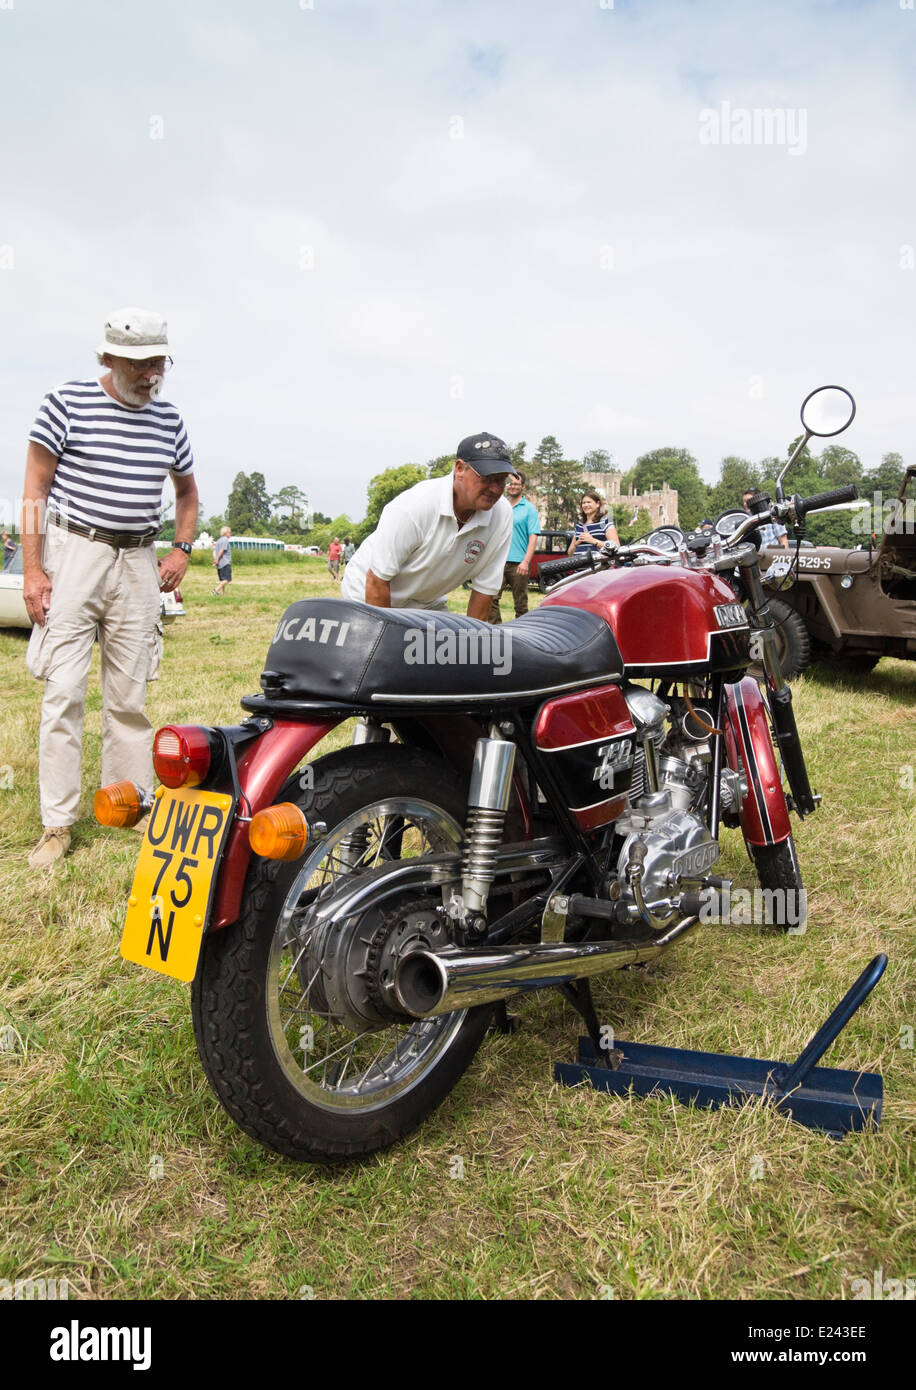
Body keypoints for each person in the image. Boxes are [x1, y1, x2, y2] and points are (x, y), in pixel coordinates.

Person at [21, 306, 199, 869]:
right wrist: (32, 569)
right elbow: (35, 489)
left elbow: (188, 494)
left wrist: (181, 547)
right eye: (141, 364)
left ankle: (129, 803)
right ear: (110, 358)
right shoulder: (66, 403)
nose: (152, 375)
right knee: (64, 692)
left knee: (129, 696)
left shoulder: (169, 420)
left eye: (159, 364)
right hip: (75, 552)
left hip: (139, 560)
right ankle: (57, 823)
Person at [341, 432, 516, 617]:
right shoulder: (416, 505)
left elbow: (485, 590)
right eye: (487, 478)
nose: (496, 489)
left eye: (501, 479)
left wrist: (471, 643)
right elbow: (377, 580)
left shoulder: (502, 515)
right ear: (459, 468)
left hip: (425, 603)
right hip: (366, 592)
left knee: (453, 644)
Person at [488, 470, 540, 623]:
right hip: (498, 561)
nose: (513, 486)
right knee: (491, 598)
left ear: (523, 486)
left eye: (517, 484)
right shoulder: (498, 505)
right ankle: (496, 630)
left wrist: (525, 562)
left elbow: (533, 538)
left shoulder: (529, 509)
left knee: (521, 604)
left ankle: (521, 634)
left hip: (519, 563)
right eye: (510, 483)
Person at [212, 526, 232, 596]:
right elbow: (222, 551)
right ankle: (215, 590)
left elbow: (214, 551)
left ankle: (223, 594)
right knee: (227, 579)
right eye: (229, 532)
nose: (230, 534)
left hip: (219, 564)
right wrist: (217, 559)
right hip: (225, 562)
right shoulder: (225, 540)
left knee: (222, 580)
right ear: (226, 533)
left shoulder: (218, 541)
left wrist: (215, 560)